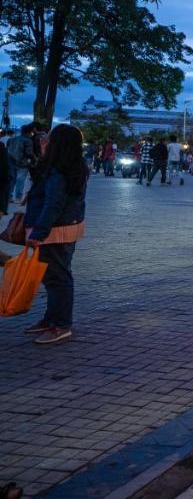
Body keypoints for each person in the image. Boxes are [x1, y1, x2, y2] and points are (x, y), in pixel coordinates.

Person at [21, 125, 89, 346]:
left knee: (58, 277)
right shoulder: (70, 166)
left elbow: (53, 204)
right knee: (53, 276)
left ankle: (60, 324)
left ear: (57, 143)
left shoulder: (58, 171)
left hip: (54, 230)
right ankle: (52, 319)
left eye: (49, 139)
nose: (44, 141)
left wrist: (38, 233)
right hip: (64, 227)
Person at [9, 124, 36, 203]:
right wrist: (34, 160)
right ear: (29, 132)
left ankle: (9, 196)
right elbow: (29, 153)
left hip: (11, 161)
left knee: (12, 179)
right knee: (20, 180)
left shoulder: (12, 139)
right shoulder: (28, 140)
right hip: (22, 162)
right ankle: (18, 197)